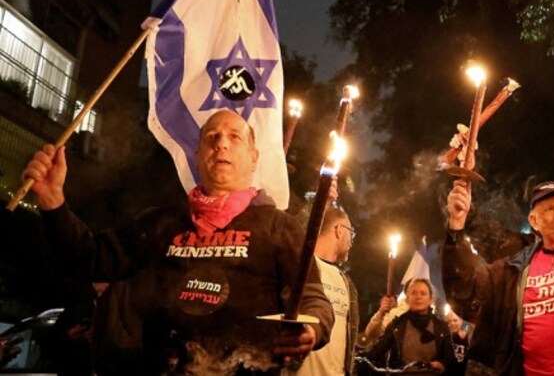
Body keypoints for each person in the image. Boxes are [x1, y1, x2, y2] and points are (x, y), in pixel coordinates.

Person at [21, 109, 334, 374]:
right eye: (211, 137)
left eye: (234, 137)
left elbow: (312, 298)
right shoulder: (161, 223)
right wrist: (53, 202)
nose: (221, 142)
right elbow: (89, 257)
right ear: (198, 156)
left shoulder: (279, 227)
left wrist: (312, 328)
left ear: (254, 158)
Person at [442, 179, 554, 375]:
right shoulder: (511, 272)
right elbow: (464, 293)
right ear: (533, 221)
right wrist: (457, 223)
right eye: (549, 209)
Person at [288, 207, 359, 376]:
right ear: (339, 230)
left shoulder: (347, 283)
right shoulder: (299, 267)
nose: (351, 242)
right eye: (352, 233)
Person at [361, 278, 455, 374]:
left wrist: (442, 364)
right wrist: (361, 357)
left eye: (423, 293)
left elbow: (450, 360)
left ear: (431, 300)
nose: (418, 297)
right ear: (407, 299)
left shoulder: (441, 328)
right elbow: (377, 349)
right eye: (414, 293)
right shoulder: (396, 326)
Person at [445, 310, 469, 375]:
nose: (452, 323)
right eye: (449, 322)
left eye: (455, 320)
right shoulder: (447, 338)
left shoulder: (468, 335)